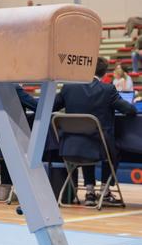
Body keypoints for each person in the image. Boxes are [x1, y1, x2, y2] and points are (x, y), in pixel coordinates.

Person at [53, 56, 136, 206]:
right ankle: (104, 190)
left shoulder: (68, 88)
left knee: (86, 144)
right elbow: (129, 110)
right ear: (104, 73)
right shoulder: (108, 89)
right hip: (99, 146)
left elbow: (51, 107)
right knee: (114, 148)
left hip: (70, 145)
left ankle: (90, 192)